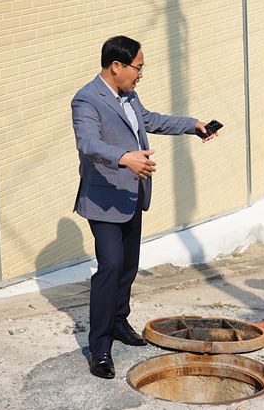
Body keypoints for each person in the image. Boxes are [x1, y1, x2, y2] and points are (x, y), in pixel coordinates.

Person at [72, 35, 216, 379]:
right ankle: (100, 348)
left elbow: (149, 120)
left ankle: (120, 320)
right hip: (103, 199)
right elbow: (88, 143)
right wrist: (124, 158)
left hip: (132, 196)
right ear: (116, 66)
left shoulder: (129, 96)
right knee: (110, 267)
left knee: (128, 267)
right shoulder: (86, 99)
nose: (140, 75)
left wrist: (192, 126)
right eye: (138, 67)